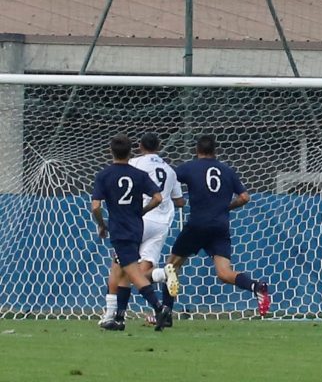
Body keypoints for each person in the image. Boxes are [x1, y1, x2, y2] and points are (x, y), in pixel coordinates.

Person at [160, 135, 270, 326]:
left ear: (197, 151)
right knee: (224, 272)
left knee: (172, 267)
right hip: (220, 226)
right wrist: (227, 208)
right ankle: (256, 286)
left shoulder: (190, 167)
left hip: (197, 225)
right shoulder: (227, 170)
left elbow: (169, 178)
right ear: (215, 151)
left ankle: (166, 313)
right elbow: (245, 197)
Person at [98, 133, 185, 328]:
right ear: (159, 146)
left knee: (119, 270)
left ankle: (111, 315)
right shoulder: (170, 170)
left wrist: (139, 209)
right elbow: (179, 201)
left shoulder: (135, 164)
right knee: (138, 271)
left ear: (138, 147)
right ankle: (159, 275)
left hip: (137, 222)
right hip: (161, 225)